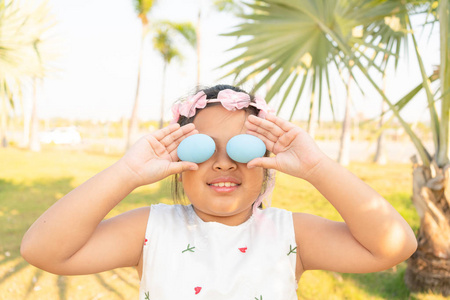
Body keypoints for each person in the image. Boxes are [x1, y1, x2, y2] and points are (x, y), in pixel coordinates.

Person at [21, 84, 417, 299]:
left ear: (267, 163)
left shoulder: (290, 235)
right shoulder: (151, 230)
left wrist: (317, 168)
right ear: (178, 163)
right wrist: (125, 173)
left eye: (243, 148)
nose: (225, 163)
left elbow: (393, 246)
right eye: (205, 148)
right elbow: (42, 250)